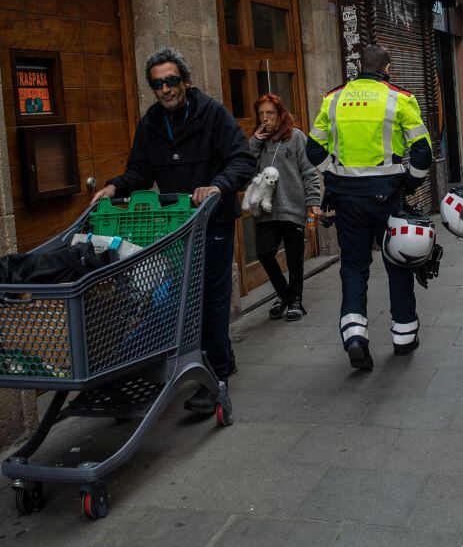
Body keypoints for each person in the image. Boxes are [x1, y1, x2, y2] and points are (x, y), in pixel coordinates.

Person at [92, 48, 254, 415]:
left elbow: (243, 159)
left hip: (212, 220)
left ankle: (215, 378)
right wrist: (115, 187)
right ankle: (220, 357)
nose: (165, 89)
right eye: (157, 84)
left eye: (171, 81)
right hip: (175, 225)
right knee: (185, 297)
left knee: (210, 297)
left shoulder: (212, 114)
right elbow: (140, 170)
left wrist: (217, 186)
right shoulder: (151, 123)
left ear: (186, 81)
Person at [306, 44, 432, 370]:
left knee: (353, 267)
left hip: (347, 200)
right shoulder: (400, 98)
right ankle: (404, 338)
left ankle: (354, 336)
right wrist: (409, 183)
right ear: (387, 69)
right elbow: (422, 152)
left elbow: (313, 148)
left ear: (358, 67)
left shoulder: (333, 99)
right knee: (398, 264)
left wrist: (334, 176)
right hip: (388, 198)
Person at [247, 93, 322, 321]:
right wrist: (254, 142)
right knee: (264, 253)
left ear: (280, 114)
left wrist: (313, 202)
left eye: (270, 113)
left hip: (292, 206)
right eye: (261, 114)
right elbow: (245, 170)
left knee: (294, 257)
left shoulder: (296, 137)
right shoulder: (257, 141)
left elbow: (309, 172)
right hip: (266, 209)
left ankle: (295, 301)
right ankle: (285, 295)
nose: (265, 118)